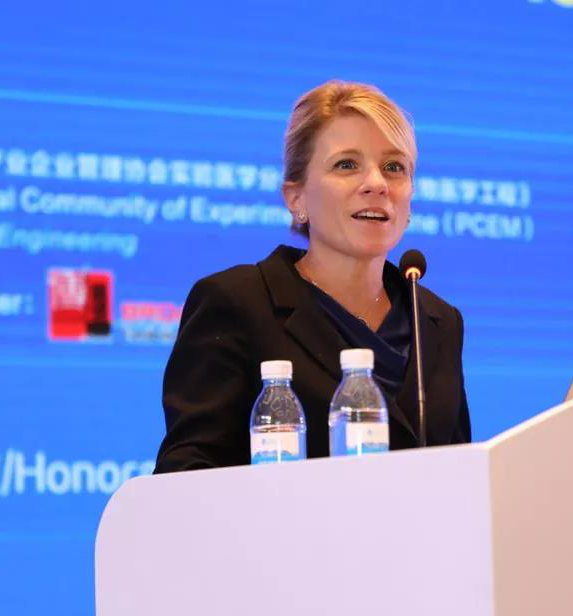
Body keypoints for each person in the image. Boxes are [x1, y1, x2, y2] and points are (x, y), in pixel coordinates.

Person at [153, 80, 470, 472]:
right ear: (296, 197)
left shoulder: (437, 322)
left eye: (394, 167)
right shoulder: (237, 303)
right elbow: (186, 474)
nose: (377, 184)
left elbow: (463, 475)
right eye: (346, 164)